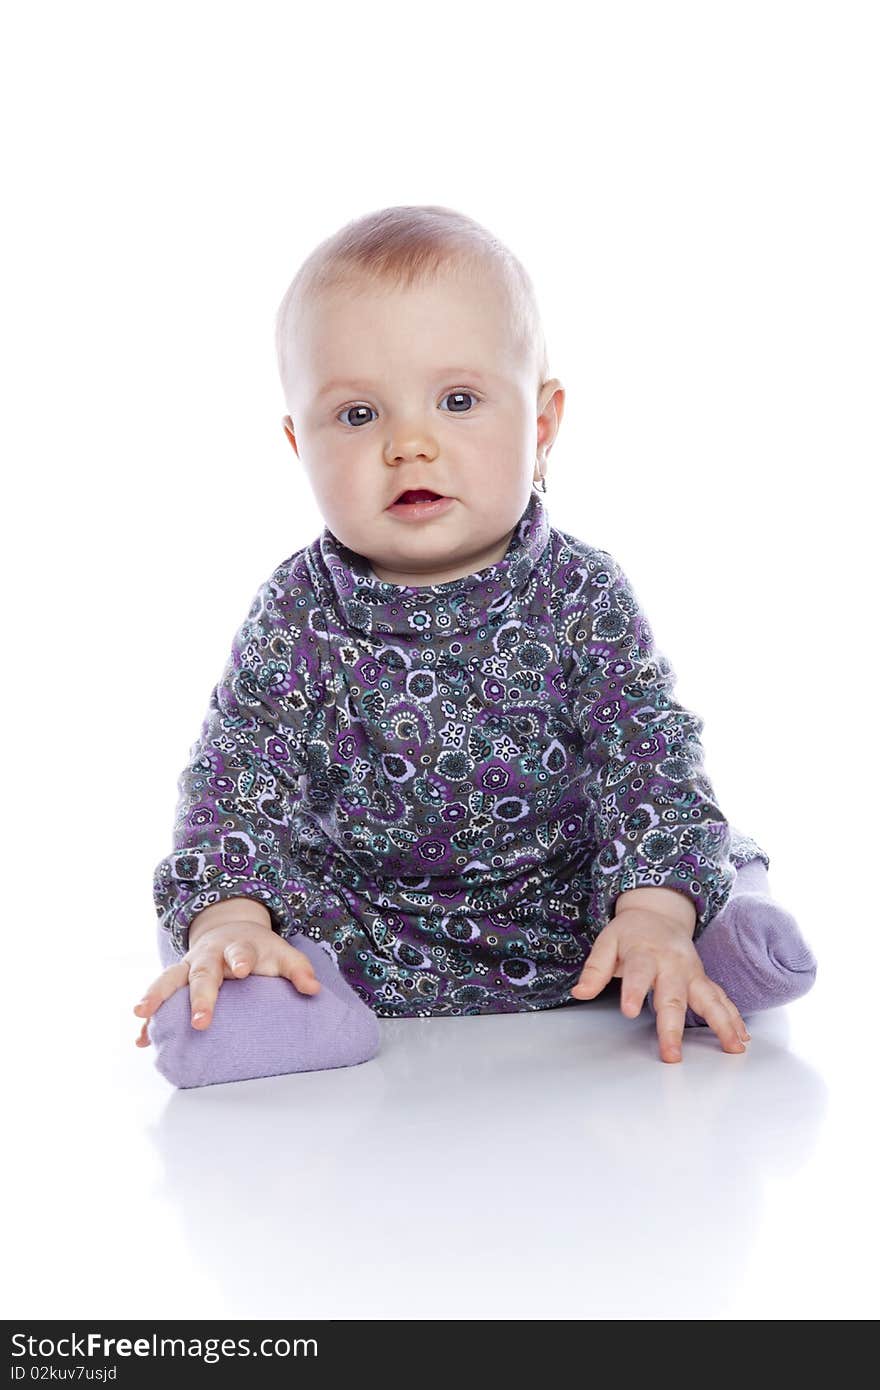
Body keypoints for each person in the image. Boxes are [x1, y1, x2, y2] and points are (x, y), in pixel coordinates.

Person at [134, 205, 817, 1088]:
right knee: (241, 920)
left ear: (541, 425)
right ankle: (260, 990)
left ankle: (689, 946)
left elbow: (644, 754)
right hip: (376, 917)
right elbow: (238, 771)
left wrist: (652, 906)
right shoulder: (298, 611)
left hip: (574, 903)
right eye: (356, 414)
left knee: (683, 868)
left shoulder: (580, 593)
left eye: (458, 402)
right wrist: (230, 917)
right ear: (299, 444)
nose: (408, 443)